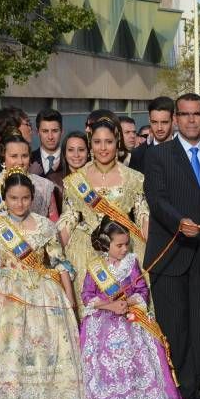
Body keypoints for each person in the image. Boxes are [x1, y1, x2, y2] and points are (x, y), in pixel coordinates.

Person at [0, 170, 82, 399]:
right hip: (4, 289)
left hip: (42, 290)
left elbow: (60, 263)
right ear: (4, 199)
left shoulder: (45, 225)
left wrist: (70, 300)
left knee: (40, 345)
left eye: (25, 198)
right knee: (6, 343)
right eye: (14, 198)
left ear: (32, 198)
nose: (20, 204)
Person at [144, 92, 200, 399]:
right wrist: (179, 222)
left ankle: (191, 390)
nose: (191, 120)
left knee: (199, 327)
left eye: (197, 114)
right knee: (174, 329)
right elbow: (157, 198)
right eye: (185, 114)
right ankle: (174, 393)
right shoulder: (159, 155)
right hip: (171, 255)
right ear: (176, 119)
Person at [72, 217, 183, 399]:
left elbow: (142, 289)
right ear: (106, 244)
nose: (124, 249)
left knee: (139, 348)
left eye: (127, 245)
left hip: (131, 312)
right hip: (104, 316)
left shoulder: (131, 262)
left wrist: (128, 301)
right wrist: (109, 305)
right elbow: (87, 295)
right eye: (119, 245)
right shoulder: (95, 267)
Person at [58, 115, 149, 317]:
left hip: (125, 247)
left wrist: (151, 244)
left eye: (108, 142)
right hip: (85, 252)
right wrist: (54, 252)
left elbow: (143, 213)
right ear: (90, 144)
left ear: (117, 142)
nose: (103, 148)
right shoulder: (76, 180)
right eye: (97, 142)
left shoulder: (134, 177)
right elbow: (69, 217)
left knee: (129, 314)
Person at [0, 133, 59, 239]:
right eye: (14, 156)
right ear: (3, 158)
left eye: (25, 156)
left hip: (39, 253)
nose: (20, 162)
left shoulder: (45, 186)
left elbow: (54, 227)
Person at [0, 107, 38, 178]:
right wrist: (31, 175)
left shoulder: (35, 156)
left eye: (24, 156)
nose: (30, 129)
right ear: (14, 127)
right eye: (27, 124)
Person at [130, 96, 174, 173]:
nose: (159, 128)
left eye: (164, 122)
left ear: (173, 120)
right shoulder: (138, 154)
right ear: (149, 120)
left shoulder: (185, 152)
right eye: (154, 122)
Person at [31, 108, 64, 181]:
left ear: (62, 132)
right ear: (38, 132)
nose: (50, 137)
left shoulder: (71, 159)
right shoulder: (29, 159)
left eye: (55, 131)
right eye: (45, 131)